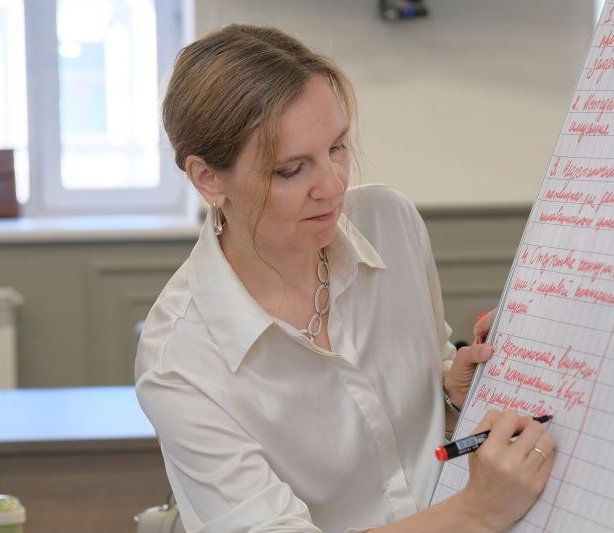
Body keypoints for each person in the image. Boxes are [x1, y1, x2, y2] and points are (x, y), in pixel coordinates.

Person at [135, 23, 555, 533]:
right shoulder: (178, 362)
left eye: (336, 147)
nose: (333, 186)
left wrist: (451, 393)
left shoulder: (389, 222)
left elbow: (408, 413)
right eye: (291, 169)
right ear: (208, 178)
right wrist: (478, 510)